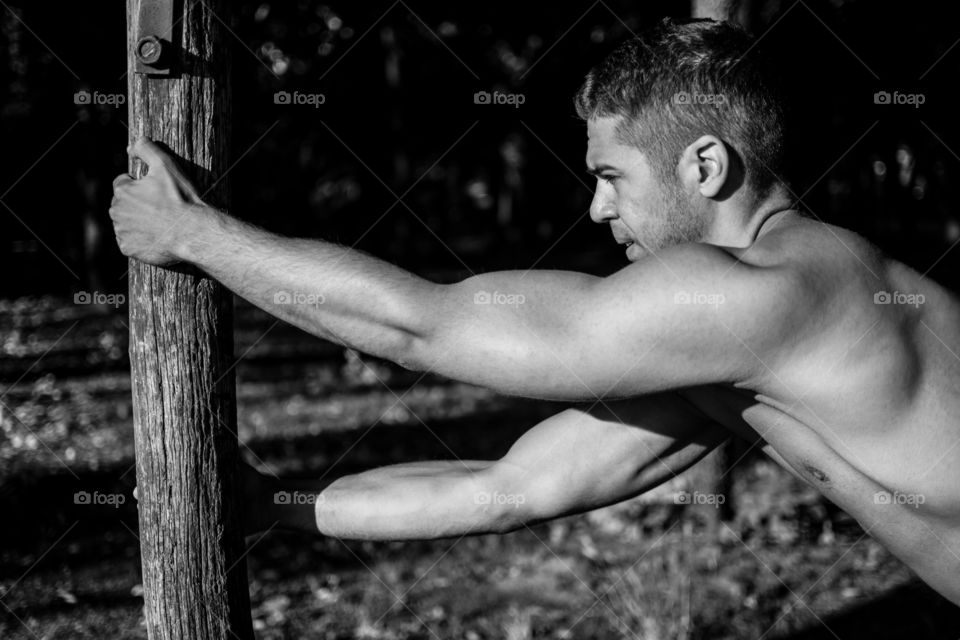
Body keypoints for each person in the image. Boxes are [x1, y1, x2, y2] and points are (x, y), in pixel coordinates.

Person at [110, 18, 960, 605]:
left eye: (613, 175)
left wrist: (192, 236)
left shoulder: (762, 296)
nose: (597, 209)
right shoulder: (749, 356)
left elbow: (423, 329)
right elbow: (508, 490)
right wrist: (274, 507)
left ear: (705, 165)